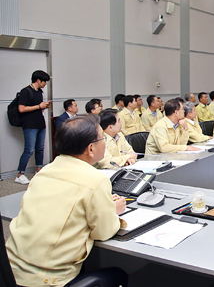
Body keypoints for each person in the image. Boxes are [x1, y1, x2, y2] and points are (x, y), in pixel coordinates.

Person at [6, 115, 128, 287]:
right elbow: (103, 232)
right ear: (91, 148)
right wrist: (112, 211)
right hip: (48, 279)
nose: (105, 143)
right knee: (118, 275)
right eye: (103, 138)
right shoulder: (95, 180)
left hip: (11, 270)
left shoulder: (44, 172)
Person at [16, 70, 51, 184]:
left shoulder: (39, 92)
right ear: (38, 80)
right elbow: (21, 109)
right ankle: (20, 174)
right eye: (44, 82)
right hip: (30, 125)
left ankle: (39, 170)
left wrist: (43, 106)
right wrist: (38, 106)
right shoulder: (26, 91)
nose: (45, 84)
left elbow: (36, 108)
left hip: (40, 123)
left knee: (40, 148)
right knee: (29, 150)